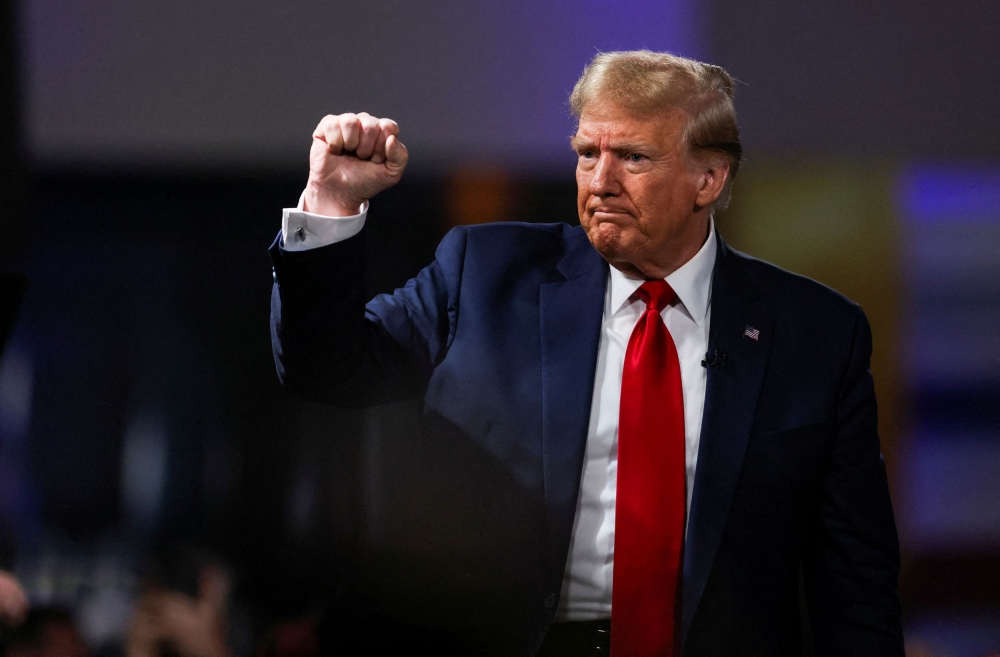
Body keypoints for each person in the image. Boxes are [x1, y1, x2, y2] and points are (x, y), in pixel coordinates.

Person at [269, 50, 904, 656]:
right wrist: (332, 202)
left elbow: (854, 574)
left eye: (632, 157)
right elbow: (328, 368)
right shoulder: (485, 273)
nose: (600, 181)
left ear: (707, 178)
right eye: (586, 153)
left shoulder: (816, 333)